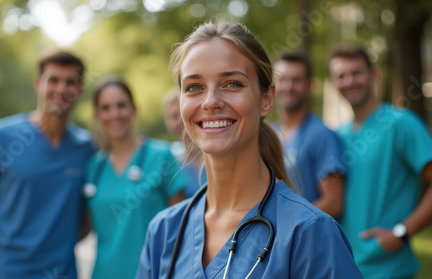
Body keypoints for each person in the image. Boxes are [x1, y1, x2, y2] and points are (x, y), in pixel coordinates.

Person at [136, 21, 363, 278]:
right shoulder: (164, 232)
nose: (210, 101)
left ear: (266, 99)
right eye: (194, 87)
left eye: (232, 83)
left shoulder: (310, 233)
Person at [0, 50, 94, 279]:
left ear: (79, 89)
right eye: (53, 80)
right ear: (38, 83)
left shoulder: (87, 148)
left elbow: (88, 215)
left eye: (70, 82)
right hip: (6, 272)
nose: (61, 89)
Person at [328, 44, 432, 279]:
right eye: (341, 76)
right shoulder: (338, 135)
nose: (349, 81)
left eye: (356, 72)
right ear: (334, 83)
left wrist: (401, 232)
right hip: (344, 266)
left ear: (373, 75)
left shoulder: (401, 123)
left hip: (388, 269)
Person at [84, 76, 188, 279]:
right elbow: (85, 227)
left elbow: (182, 228)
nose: (115, 114)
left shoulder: (162, 157)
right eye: (106, 108)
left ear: (134, 108)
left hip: (155, 273)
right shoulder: (93, 167)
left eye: (121, 105)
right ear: (98, 115)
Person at [271, 51, 345, 218]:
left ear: (310, 85)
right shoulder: (268, 134)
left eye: (296, 80)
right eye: (282, 80)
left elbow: (334, 203)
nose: (288, 87)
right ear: (273, 87)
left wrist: (288, 221)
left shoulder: (322, 135)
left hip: (305, 240)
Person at [163, 89, 207, 198]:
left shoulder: (223, 156)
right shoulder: (169, 163)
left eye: (184, 113)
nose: (181, 121)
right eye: (174, 116)